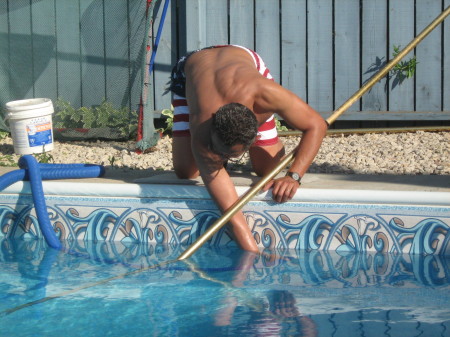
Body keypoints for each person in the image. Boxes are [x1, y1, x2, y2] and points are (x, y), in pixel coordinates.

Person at [169, 45, 328, 253]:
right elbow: (231, 214)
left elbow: (317, 125)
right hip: (191, 69)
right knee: (186, 171)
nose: (221, 159)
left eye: (230, 155)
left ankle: (260, 125)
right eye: (220, 152)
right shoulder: (201, 126)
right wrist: (253, 252)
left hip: (245, 69)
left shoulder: (267, 93)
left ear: (251, 138)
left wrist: (294, 176)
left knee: (267, 169)